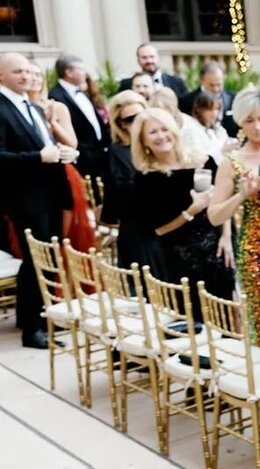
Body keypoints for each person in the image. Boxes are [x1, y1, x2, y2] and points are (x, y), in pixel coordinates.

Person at [0, 53, 76, 348]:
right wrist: (38, 157)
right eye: (17, 72)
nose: (25, 76)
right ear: (2, 76)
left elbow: (47, 147)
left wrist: (64, 154)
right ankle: (32, 330)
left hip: (51, 192)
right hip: (26, 198)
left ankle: (37, 317)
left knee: (48, 260)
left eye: (27, 71)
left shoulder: (31, 105)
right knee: (36, 261)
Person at [206, 87, 260, 347]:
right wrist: (242, 194)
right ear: (240, 122)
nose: (258, 127)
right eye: (250, 120)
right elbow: (215, 216)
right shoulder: (232, 162)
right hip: (255, 250)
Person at [130, 107, 234, 306]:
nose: (161, 136)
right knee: (194, 317)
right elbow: (157, 230)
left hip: (217, 248)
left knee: (227, 312)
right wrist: (191, 211)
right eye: (153, 132)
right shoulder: (146, 178)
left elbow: (223, 200)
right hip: (179, 256)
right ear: (143, 141)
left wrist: (227, 237)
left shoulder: (203, 161)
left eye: (164, 129)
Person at [29, 67, 95, 256]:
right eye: (28, 73)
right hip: (32, 176)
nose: (33, 78)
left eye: (37, 74)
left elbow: (72, 143)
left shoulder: (57, 106)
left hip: (63, 172)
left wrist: (53, 123)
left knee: (68, 233)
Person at [101, 91, 158, 271]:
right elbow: (126, 195)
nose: (136, 123)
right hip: (139, 232)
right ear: (121, 125)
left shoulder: (158, 143)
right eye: (129, 119)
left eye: (140, 116)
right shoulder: (118, 153)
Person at [48, 55, 110, 185]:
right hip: (82, 157)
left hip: (99, 155)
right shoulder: (56, 96)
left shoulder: (81, 92)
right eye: (80, 69)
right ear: (69, 73)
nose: (84, 73)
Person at [181, 61, 237, 138]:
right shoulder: (186, 101)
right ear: (202, 81)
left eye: (219, 85)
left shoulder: (233, 98)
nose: (216, 89)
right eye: (212, 85)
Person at [117, 44, 188, 99]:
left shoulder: (176, 82)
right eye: (144, 57)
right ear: (138, 60)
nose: (149, 61)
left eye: (152, 57)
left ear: (158, 58)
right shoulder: (126, 84)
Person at [190, 90, 237, 163]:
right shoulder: (192, 130)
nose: (214, 113)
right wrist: (222, 151)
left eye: (217, 109)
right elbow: (199, 158)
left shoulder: (219, 129)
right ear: (199, 109)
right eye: (209, 109)